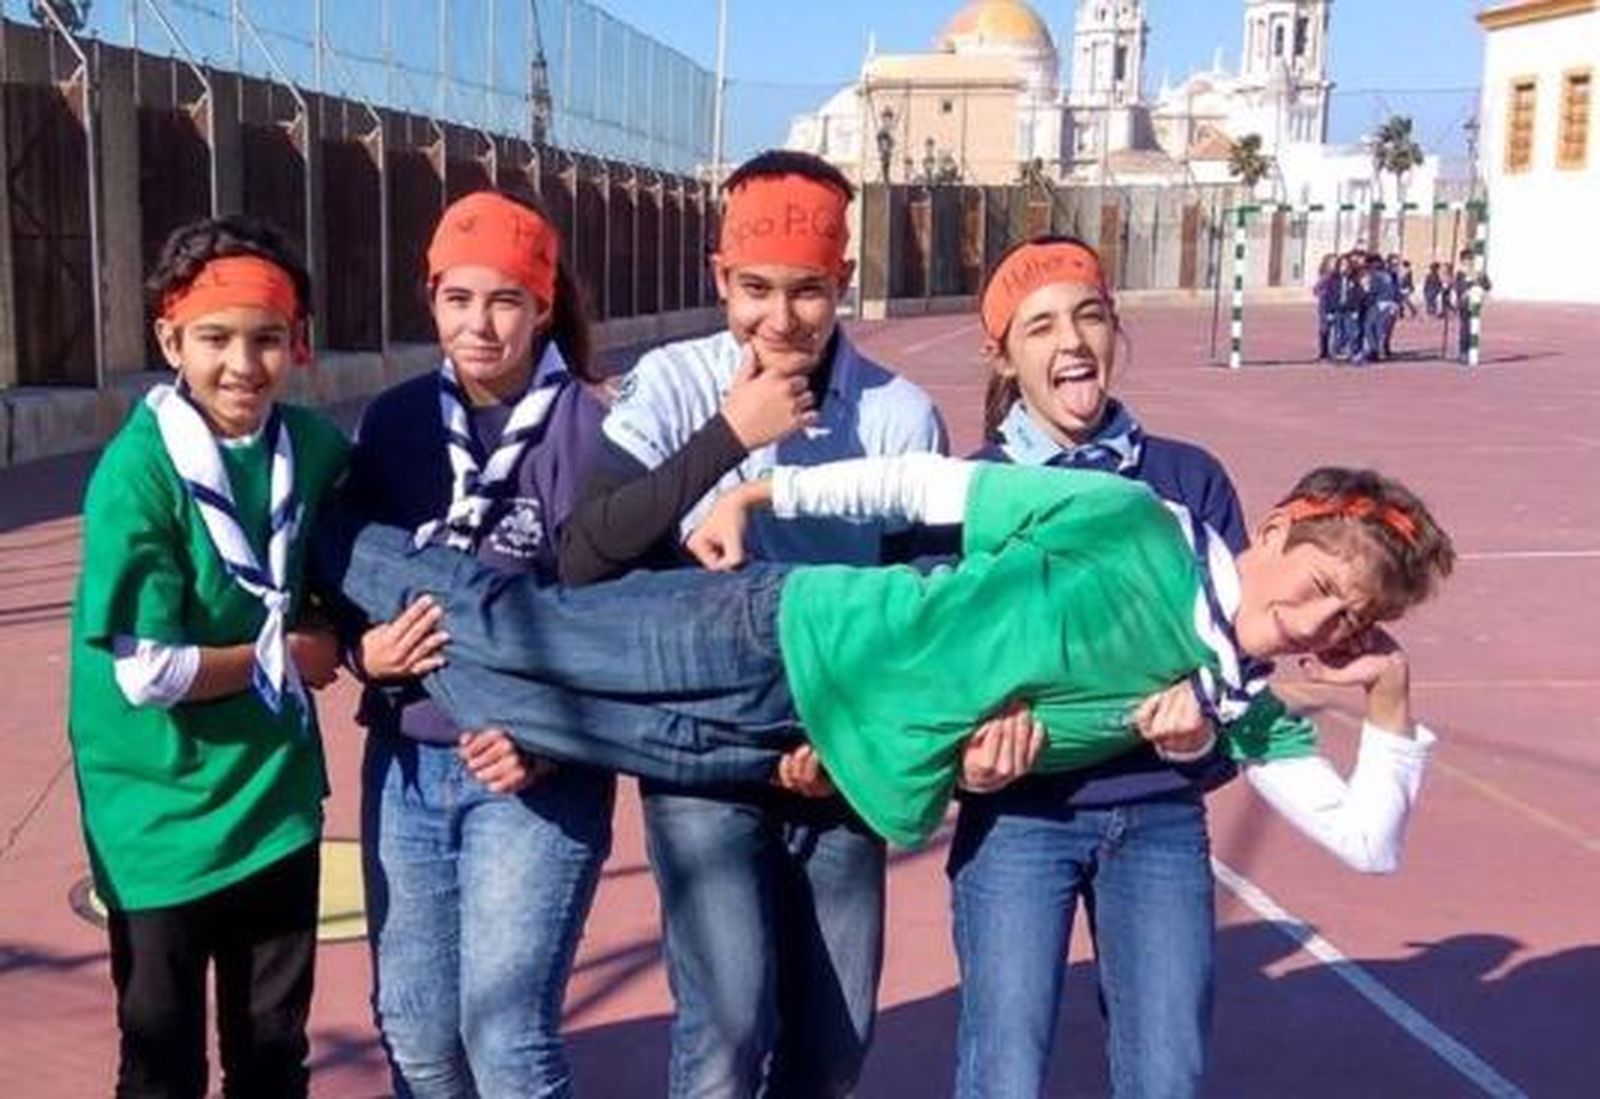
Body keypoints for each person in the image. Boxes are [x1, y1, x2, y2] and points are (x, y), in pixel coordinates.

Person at [322, 448, 1452, 859]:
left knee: (517, 699)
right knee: (529, 629)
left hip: (799, 756)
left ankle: (358, 613)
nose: (1315, 625)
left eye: (1348, 621)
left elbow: (1368, 844)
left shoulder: (1232, 707)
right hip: (782, 632)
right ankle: (311, 532)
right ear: (1272, 533)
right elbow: (928, 487)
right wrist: (767, 490)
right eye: (1314, 586)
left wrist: (1390, 703)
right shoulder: (1132, 520)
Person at [556, 149, 947, 1097]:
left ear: (842, 283)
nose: (781, 318)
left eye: (808, 291)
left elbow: (928, 608)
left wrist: (849, 738)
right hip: (701, 747)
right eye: (756, 288)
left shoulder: (901, 414)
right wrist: (733, 432)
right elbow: (585, 554)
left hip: (839, 754)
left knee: (834, 1043)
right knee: (727, 1029)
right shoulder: (672, 384)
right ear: (720, 278)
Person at [943, 234, 1247, 1097]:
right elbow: (925, 675)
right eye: (1039, 326)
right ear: (1001, 352)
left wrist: (1198, 736)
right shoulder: (966, 494)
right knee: (1001, 1070)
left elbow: (1242, 667)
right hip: (1017, 825)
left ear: (1115, 330)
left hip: (1157, 818)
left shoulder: (1188, 479)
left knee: (1168, 1074)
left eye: (1088, 316)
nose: (1071, 342)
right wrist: (969, 765)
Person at [338, 191, 615, 1097]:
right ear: (432, 300)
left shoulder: (596, 431)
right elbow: (343, 569)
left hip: (533, 781)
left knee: (506, 1045)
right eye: (458, 299)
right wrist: (361, 654)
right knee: (415, 1033)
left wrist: (544, 734)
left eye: (505, 300)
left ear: (543, 304)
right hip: (407, 768)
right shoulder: (395, 421)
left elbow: (630, 626)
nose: (481, 324)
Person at [68, 216, 348, 1098]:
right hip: (157, 803)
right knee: (162, 1056)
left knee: (272, 1048)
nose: (242, 365)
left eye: (267, 340)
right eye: (215, 339)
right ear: (169, 339)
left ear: (296, 344)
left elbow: (375, 547)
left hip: (274, 797)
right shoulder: (139, 471)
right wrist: (288, 651)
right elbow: (148, 672)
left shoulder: (312, 447)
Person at [1451, 248, 1492, 363]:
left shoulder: (1477, 272)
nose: (1470, 262)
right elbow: (1458, 289)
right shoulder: (1460, 273)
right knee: (1465, 328)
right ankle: (1463, 352)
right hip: (1464, 304)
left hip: (1475, 304)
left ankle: (1472, 351)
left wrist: (1481, 279)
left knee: (1474, 328)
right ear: (1462, 260)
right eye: (1467, 259)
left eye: (1471, 259)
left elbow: (1488, 286)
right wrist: (1469, 286)